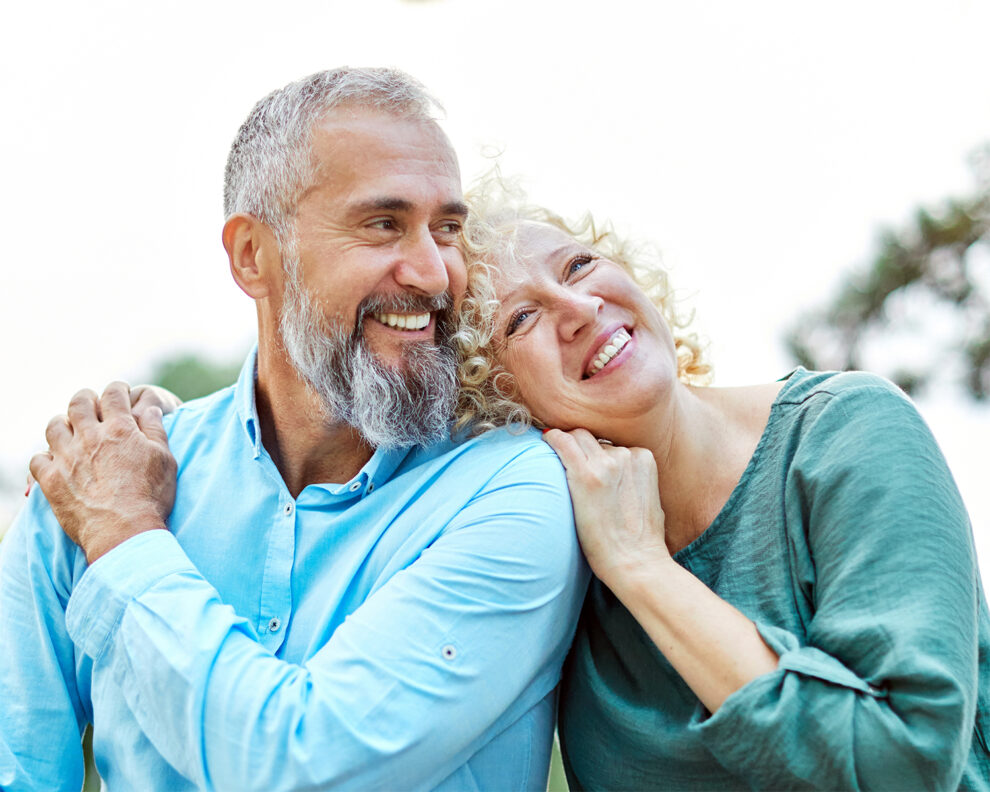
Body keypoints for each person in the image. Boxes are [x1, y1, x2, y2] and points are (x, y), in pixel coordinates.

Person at [0, 69, 587, 791]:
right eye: (383, 224)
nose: (435, 273)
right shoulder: (98, 472)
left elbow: (308, 767)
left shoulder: (512, 494)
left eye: (449, 228)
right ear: (253, 255)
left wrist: (125, 540)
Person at [452, 187, 990, 790]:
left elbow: (905, 766)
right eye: (520, 320)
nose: (578, 305)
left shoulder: (846, 429)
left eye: (579, 265)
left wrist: (642, 567)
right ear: (490, 402)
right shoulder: (554, 571)